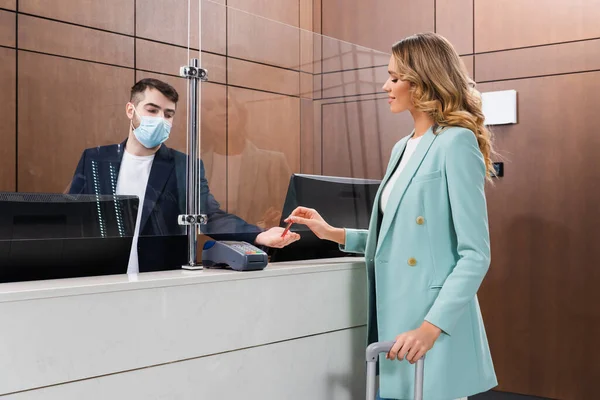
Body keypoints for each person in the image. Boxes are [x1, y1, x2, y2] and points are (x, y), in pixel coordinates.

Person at [286, 32, 497, 400]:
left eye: (396, 78)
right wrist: (332, 232)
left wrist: (430, 329)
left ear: (424, 81)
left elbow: (475, 255)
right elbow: (401, 238)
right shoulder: (402, 147)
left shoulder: (456, 142)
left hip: (430, 325)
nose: (386, 86)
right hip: (398, 314)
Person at [69, 78, 299, 274]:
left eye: (168, 114)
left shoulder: (184, 166)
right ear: (131, 110)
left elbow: (209, 215)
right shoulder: (95, 159)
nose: (161, 119)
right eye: (152, 110)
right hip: (101, 278)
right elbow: (73, 215)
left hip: (161, 281)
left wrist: (259, 236)